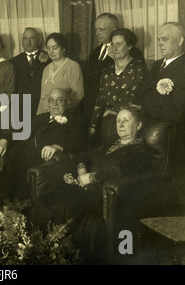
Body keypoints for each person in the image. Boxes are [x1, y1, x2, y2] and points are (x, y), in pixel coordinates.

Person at [29, 104, 154, 261]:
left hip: (104, 196)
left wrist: (92, 177)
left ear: (139, 125)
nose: (120, 124)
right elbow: (84, 155)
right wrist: (82, 171)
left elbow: (123, 171)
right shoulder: (110, 145)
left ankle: (64, 257)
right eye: (118, 120)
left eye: (126, 121)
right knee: (46, 200)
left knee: (73, 214)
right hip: (85, 190)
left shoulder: (140, 150)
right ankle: (38, 253)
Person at [0, 88, 86, 206]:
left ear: (67, 102)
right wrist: (4, 140)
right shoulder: (40, 117)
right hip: (18, 163)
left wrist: (58, 146)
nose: (55, 104)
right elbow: (20, 129)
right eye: (51, 100)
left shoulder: (75, 121)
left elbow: (80, 141)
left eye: (59, 100)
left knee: (20, 193)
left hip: (40, 167)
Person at [89, 28, 147, 147]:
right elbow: (100, 101)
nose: (114, 48)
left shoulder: (139, 68)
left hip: (127, 123)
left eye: (119, 44)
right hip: (107, 124)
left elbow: (136, 97)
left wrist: (116, 111)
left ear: (129, 46)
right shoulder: (107, 71)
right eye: (112, 44)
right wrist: (92, 126)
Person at [83, 13, 144, 122]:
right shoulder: (95, 52)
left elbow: (135, 88)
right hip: (93, 109)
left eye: (101, 29)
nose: (97, 33)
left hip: (116, 113)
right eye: (96, 29)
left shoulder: (133, 52)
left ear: (114, 29)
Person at [137, 22, 185, 124]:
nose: (159, 43)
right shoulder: (156, 64)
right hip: (144, 120)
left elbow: (179, 111)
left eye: (164, 39)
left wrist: (144, 110)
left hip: (168, 127)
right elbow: (142, 92)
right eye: (159, 39)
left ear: (180, 41)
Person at [36, 33, 84, 115]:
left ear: (63, 49)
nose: (51, 52)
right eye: (48, 48)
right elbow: (42, 98)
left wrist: (59, 115)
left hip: (64, 116)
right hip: (45, 116)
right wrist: (39, 117)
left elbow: (78, 97)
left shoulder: (73, 67)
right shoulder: (46, 69)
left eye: (55, 48)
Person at [10, 27, 50, 115]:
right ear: (21, 42)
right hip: (21, 108)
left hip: (42, 107)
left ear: (39, 41)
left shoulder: (49, 59)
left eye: (32, 38)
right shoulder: (13, 62)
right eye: (25, 38)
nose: (28, 42)